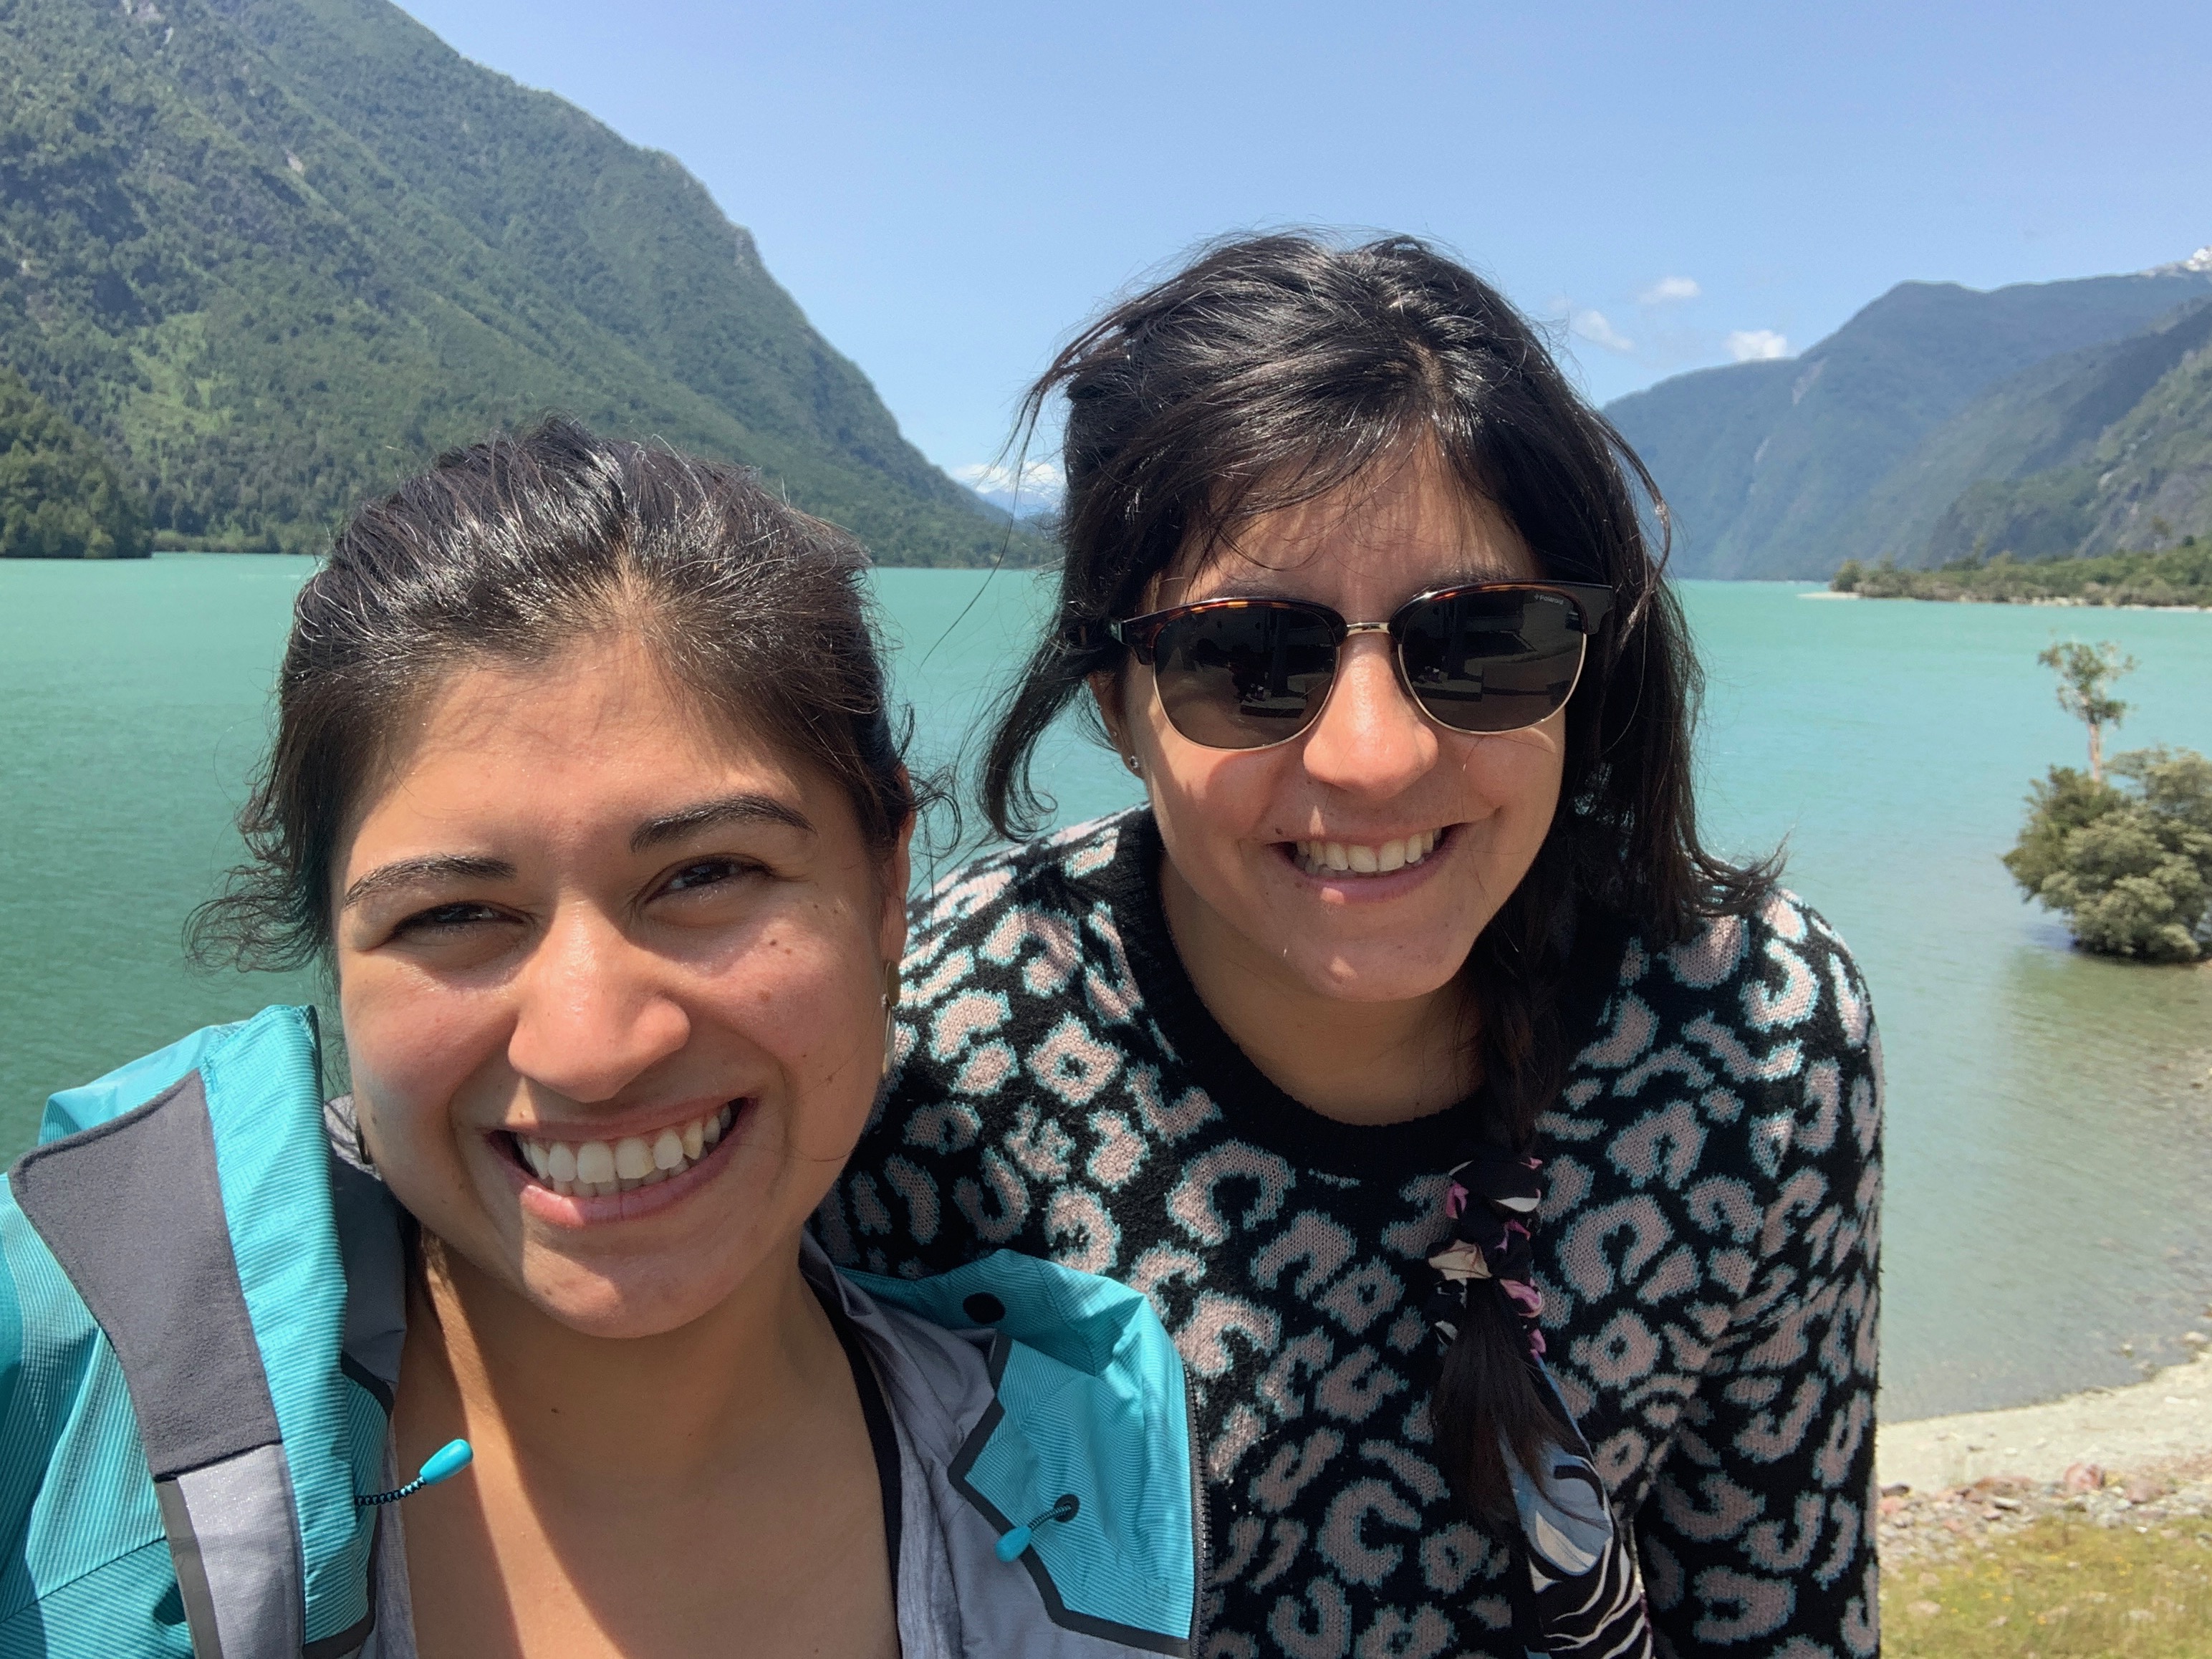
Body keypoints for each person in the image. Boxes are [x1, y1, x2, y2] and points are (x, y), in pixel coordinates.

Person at [822, 236, 1882, 1658]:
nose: (1373, 757)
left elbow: (1777, 1606)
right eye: (1249, 658)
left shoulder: (1755, 1037)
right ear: (1117, 702)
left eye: (1482, 642)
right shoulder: (926, 1054)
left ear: (1585, 666)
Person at [0, 423, 1201, 1658]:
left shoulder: (1091, 1468)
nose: (590, 1048)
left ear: (887, 886)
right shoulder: (74, 1398)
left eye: (706, 875)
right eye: (453, 915)